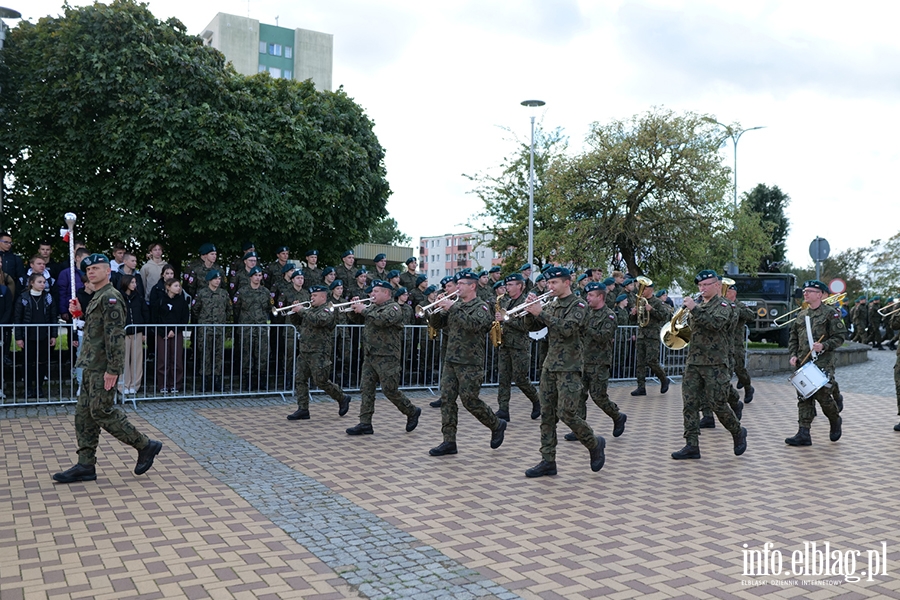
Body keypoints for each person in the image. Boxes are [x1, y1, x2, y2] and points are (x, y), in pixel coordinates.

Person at [52, 253, 162, 484]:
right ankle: (85, 465)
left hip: (103, 367)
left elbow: (115, 337)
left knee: (101, 411)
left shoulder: (110, 297)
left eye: (95, 268)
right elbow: (97, 330)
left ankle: (145, 444)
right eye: (88, 269)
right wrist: (79, 314)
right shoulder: (97, 296)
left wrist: (113, 370)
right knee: (84, 415)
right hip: (91, 365)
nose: (90, 272)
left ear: (107, 272)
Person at [522, 267, 606, 477]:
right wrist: (530, 311)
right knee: (547, 415)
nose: (549, 287)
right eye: (548, 283)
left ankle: (594, 443)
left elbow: (568, 329)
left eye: (554, 283)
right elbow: (532, 328)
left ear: (567, 283)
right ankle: (548, 460)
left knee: (567, 413)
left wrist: (540, 312)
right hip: (550, 366)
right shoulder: (552, 304)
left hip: (570, 367)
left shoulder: (578, 305)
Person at [671, 270, 747, 460]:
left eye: (706, 285)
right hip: (694, 362)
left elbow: (715, 324)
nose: (702, 289)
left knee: (717, 404)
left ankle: (737, 431)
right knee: (689, 404)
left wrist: (694, 309)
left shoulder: (725, 305)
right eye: (700, 286)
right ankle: (691, 445)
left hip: (715, 363)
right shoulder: (698, 305)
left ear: (717, 285)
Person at [428, 272, 505, 456]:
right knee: (447, 400)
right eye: (458, 283)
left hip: (471, 362)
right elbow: (438, 324)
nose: (458, 287)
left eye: (462, 284)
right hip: (452, 359)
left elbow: (474, 325)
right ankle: (449, 441)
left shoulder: (482, 307)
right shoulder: (456, 305)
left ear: (472, 286)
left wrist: (452, 307)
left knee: (470, 400)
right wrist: (436, 309)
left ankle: (496, 424)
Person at [345, 280, 421, 435]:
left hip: (387, 357)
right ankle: (365, 423)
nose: (372, 294)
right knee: (366, 389)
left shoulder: (394, 308)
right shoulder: (372, 307)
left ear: (386, 293)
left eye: (376, 291)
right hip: (370, 355)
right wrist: (354, 309)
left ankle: (411, 411)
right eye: (372, 291)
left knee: (390, 390)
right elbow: (357, 319)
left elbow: (382, 320)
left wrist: (364, 310)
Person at [784, 280, 846, 446]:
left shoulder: (830, 313)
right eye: (805, 291)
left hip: (822, 363)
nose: (806, 293)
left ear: (819, 294)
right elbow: (793, 338)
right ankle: (803, 433)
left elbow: (840, 337)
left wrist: (824, 345)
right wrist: (793, 355)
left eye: (810, 291)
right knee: (804, 397)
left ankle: (835, 419)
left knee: (823, 396)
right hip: (803, 362)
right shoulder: (801, 315)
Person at [564, 281, 627, 441]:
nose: (588, 298)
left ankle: (617, 416)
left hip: (599, 362)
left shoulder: (609, 315)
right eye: (587, 295)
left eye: (591, 295)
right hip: (582, 360)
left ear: (600, 297)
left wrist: (585, 327)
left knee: (598, 396)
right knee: (579, 396)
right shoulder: (586, 312)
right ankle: (580, 430)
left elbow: (603, 336)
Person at [287, 285, 352, 421]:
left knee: (320, 381)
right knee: (300, 379)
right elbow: (297, 322)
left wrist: (302, 310)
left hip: (319, 351)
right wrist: (294, 311)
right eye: (311, 296)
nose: (311, 298)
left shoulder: (328, 309)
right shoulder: (310, 310)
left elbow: (320, 320)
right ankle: (303, 409)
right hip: (305, 350)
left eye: (314, 296)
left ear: (323, 297)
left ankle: (342, 397)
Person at [493, 273, 541, 421]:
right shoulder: (506, 303)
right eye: (506, 285)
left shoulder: (526, 303)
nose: (506, 288)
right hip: (506, 345)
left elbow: (526, 326)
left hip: (520, 346)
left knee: (520, 379)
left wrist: (506, 320)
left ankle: (537, 401)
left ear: (519, 286)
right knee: (504, 378)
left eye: (510, 285)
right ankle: (503, 409)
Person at [15, 273, 58, 398]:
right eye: (40, 282)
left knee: (42, 362)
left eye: (44, 282)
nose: (43, 284)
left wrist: (53, 335)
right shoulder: (23, 298)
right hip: (28, 336)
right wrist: (18, 337)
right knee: (27, 362)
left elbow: (53, 317)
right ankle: (28, 388)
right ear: (32, 283)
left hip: (43, 335)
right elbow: (18, 318)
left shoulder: (48, 297)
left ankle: (39, 387)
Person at [191, 269, 232, 391]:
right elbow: (195, 310)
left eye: (219, 279)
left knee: (218, 355)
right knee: (205, 355)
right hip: (205, 329)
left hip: (219, 329)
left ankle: (217, 381)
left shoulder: (224, 294)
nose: (217, 281)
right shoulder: (201, 293)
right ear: (209, 280)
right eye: (215, 279)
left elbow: (228, 310)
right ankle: (204, 381)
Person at [630, 280, 672, 396]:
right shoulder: (640, 301)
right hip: (641, 334)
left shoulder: (657, 302)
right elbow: (634, 320)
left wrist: (652, 310)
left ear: (651, 290)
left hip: (652, 335)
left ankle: (664, 379)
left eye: (644, 289)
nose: (642, 291)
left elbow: (663, 316)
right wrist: (633, 313)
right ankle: (641, 387)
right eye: (641, 288)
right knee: (640, 362)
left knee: (652, 361)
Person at [233, 266, 271, 391]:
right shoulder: (242, 292)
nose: (258, 278)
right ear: (250, 277)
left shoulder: (265, 292)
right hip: (247, 328)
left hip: (261, 328)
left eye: (260, 275)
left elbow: (268, 309)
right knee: (246, 355)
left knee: (262, 355)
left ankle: (262, 381)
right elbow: (236, 309)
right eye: (255, 275)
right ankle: (247, 382)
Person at [153, 278, 189, 394]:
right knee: (163, 359)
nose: (178, 288)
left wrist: (174, 330)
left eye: (179, 286)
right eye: (175, 285)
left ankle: (175, 385)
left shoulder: (182, 301)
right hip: (162, 333)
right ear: (168, 287)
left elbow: (184, 318)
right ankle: (163, 384)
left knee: (176, 359)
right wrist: (163, 332)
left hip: (176, 332)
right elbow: (156, 317)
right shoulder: (160, 301)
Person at [725, 284, 755, 402]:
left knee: (739, 369)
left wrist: (735, 308)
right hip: (724, 343)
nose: (726, 293)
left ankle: (748, 387)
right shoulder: (722, 304)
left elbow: (751, 315)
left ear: (734, 293)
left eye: (728, 291)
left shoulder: (740, 305)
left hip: (736, 344)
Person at [118, 274, 148, 396]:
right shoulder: (119, 297)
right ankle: (123, 384)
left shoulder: (138, 296)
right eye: (132, 282)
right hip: (124, 333)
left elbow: (144, 313)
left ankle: (135, 385)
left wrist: (144, 331)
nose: (134, 285)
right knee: (123, 359)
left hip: (137, 331)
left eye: (135, 282)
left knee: (137, 359)